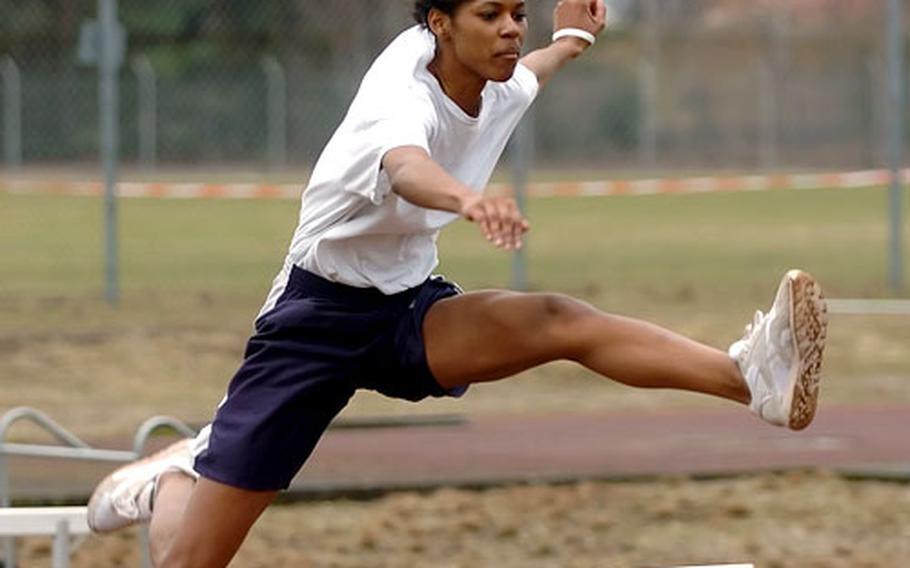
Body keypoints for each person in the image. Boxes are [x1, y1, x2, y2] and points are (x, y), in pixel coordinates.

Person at [86, 1, 828, 566]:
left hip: (406, 307)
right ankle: (169, 480)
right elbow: (407, 164)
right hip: (314, 320)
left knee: (555, 318)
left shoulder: (497, 84)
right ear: (440, 23)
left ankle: (750, 380)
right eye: (489, 14)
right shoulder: (398, 92)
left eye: (518, 12)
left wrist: (572, 39)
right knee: (193, 560)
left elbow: (532, 73)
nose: (510, 28)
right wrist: (466, 199)